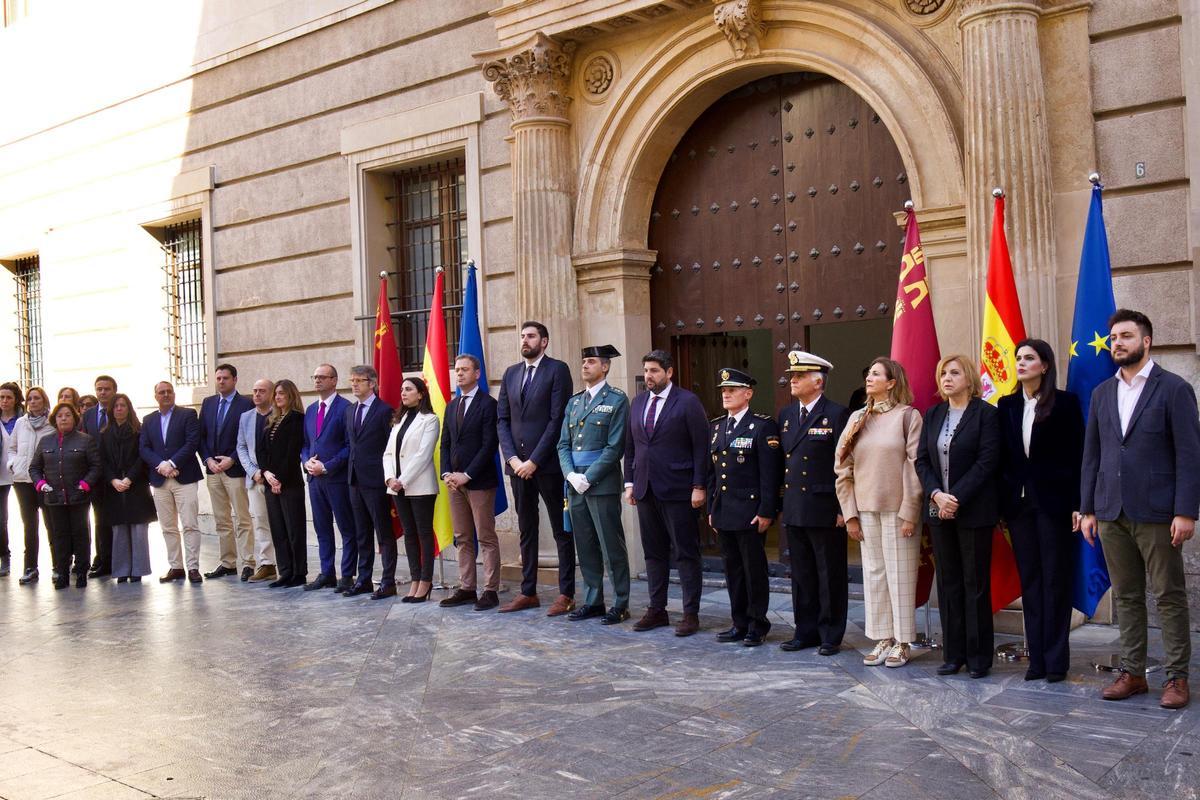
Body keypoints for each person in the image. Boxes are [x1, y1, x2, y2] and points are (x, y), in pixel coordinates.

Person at [1080, 310, 1199, 710]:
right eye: (1113, 337)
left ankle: (1177, 677)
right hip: (1110, 511)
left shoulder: (1174, 389)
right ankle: (1132, 673)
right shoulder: (1101, 393)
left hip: (1158, 513)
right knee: (1127, 596)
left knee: (1168, 595)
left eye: (1126, 336)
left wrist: (1186, 511)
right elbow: (1092, 456)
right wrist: (1088, 509)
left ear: (1146, 341)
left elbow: (1189, 455)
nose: (1117, 343)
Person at [997, 339, 1083, 683]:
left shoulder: (1065, 403)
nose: (1020, 363)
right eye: (1018, 357)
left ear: (1044, 366)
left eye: (1029, 358)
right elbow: (1002, 460)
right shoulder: (1006, 406)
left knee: (1055, 581)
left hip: (1055, 506)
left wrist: (1079, 505)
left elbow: (1078, 458)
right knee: (1030, 582)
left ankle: (1056, 661)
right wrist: (1005, 502)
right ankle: (1036, 660)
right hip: (1019, 509)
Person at [915, 355, 1000, 679]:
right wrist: (937, 494)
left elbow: (987, 461)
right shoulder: (934, 414)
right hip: (939, 509)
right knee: (949, 583)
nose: (947, 378)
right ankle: (953, 655)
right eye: (943, 374)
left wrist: (957, 497)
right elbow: (922, 461)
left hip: (973, 510)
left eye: (954, 372)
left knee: (974, 583)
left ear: (969, 378)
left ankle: (978, 657)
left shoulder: (986, 415)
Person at [835, 357, 923, 668]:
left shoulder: (908, 417)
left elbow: (914, 466)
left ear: (892, 382)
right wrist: (851, 513)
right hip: (865, 508)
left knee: (900, 576)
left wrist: (911, 511)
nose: (869, 379)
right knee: (874, 575)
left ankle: (902, 641)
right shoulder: (858, 417)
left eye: (875, 374)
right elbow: (842, 466)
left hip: (898, 510)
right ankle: (882, 637)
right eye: (868, 373)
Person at [623, 349, 709, 637]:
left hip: (678, 490)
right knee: (653, 553)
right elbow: (631, 447)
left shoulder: (687, 402)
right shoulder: (637, 403)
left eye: (654, 371)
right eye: (646, 370)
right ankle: (657, 609)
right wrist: (630, 483)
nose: (648, 376)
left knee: (685, 553)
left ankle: (690, 613)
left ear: (669, 372)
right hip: (646, 489)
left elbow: (701, 447)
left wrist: (699, 485)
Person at [496, 321, 577, 616]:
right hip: (518, 467)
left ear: (544, 341)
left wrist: (535, 461)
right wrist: (514, 460)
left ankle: (566, 592)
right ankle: (527, 591)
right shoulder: (511, 373)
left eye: (531, 336)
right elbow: (502, 419)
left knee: (561, 530)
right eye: (522, 336)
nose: (525, 341)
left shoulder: (557, 370)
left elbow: (558, 419)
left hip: (548, 466)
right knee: (526, 529)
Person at [777, 351, 851, 655]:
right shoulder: (785, 415)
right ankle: (804, 630)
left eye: (800, 376)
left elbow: (846, 465)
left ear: (818, 381)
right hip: (796, 505)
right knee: (802, 574)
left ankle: (830, 633)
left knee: (829, 573)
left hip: (824, 506)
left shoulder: (837, 414)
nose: (792, 380)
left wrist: (842, 509)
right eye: (793, 376)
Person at [557, 344, 631, 625]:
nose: (585, 366)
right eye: (584, 361)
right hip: (576, 484)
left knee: (611, 546)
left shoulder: (617, 400)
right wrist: (571, 475)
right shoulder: (574, 402)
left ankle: (621, 603)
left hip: (601, 484)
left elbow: (615, 447)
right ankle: (593, 600)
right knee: (585, 546)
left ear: (605, 367)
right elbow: (562, 444)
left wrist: (589, 477)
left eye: (591, 361)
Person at [707, 368, 781, 647]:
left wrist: (766, 511)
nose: (726, 394)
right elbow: (712, 472)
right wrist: (712, 507)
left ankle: (757, 624)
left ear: (748, 394)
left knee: (753, 570)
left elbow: (769, 474)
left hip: (750, 511)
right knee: (733, 570)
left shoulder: (762, 426)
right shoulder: (716, 426)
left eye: (732, 390)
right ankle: (739, 622)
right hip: (724, 510)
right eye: (724, 390)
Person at [439, 355, 502, 611]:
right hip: (454, 483)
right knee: (462, 537)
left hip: (479, 481)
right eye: (457, 370)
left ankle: (490, 590)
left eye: (465, 370)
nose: (460, 374)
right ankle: (467, 588)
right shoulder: (452, 405)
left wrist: (468, 474)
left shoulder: (489, 404)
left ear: (477, 374)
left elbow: (489, 445)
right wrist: (446, 474)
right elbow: (445, 443)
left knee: (485, 536)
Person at [30, 403, 101, 589]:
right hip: (54, 498)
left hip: (78, 496)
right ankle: (62, 572)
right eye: (60, 415)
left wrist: (85, 483)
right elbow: (35, 467)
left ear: (74, 418)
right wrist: (40, 483)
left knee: (80, 534)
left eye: (68, 415)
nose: (63, 418)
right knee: (59, 535)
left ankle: (81, 571)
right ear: (54, 419)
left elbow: (96, 466)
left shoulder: (85, 440)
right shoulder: (46, 441)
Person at [139, 381, 204, 584]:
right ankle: (176, 567)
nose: (165, 395)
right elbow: (144, 448)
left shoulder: (188, 415)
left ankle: (193, 567)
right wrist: (161, 465)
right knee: (168, 526)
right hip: (160, 480)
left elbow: (192, 442)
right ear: (155, 396)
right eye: (161, 392)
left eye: (169, 392)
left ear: (174, 394)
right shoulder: (148, 420)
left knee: (190, 524)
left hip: (184, 477)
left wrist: (172, 462)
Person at [382, 377, 440, 603]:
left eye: (408, 389)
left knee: (424, 534)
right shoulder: (399, 419)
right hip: (396, 487)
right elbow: (388, 452)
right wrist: (389, 478)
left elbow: (423, 455)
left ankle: (426, 580)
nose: (403, 393)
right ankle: (415, 578)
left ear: (421, 393)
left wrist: (402, 480)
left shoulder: (430, 420)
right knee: (409, 534)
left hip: (420, 486)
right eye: (401, 389)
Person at [302, 363, 357, 592]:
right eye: (315, 377)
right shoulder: (311, 409)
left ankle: (347, 575)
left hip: (336, 478)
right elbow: (306, 444)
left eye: (322, 377)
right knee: (322, 527)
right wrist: (306, 462)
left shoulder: (346, 408)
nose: (317, 381)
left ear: (334, 380)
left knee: (346, 527)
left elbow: (348, 447)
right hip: (315, 480)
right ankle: (327, 573)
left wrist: (326, 466)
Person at [198, 364, 256, 580]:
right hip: (213, 471)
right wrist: (208, 459)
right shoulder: (209, 403)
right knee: (222, 519)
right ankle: (228, 562)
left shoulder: (246, 404)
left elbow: (248, 437)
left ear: (235, 380)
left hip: (235, 469)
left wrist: (232, 458)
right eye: (218, 378)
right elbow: (201, 436)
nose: (221, 381)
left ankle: (249, 562)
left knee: (242, 518)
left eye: (225, 378)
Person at [343, 365, 395, 598]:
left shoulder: (384, 411)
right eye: (352, 380)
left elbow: (389, 447)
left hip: (376, 481)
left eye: (359, 380)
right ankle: (363, 579)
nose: (354, 384)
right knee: (361, 533)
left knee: (383, 533)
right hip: (354, 479)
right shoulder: (350, 410)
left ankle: (388, 581)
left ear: (372, 383)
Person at [100, 393, 156, 583]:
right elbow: (103, 461)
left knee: (139, 529)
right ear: (111, 410)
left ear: (129, 408)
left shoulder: (138, 431)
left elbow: (142, 456)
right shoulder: (104, 433)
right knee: (120, 530)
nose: (119, 409)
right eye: (116, 406)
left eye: (123, 405)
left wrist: (129, 478)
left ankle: (138, 569)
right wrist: (114, 480)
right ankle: (122, 570)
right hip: (114, 487)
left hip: (136, 484)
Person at [260, 380, 307, 589]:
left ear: (291, 395)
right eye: (276, 394)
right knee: (278, 529)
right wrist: (267, 473)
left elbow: (291, 453)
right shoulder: (271, 420)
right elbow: (262, 452)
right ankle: (285, 571)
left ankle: (298, 572)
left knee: (294, 529)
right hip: (271, 483)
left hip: (290, 483)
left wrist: (279, 478)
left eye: (282, 393)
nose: (278, 397)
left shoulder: (297, 419)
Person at [7, 386, 53, 584]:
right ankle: (30, 567)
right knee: (29, 526)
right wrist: (12, 464)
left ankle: (59, 566)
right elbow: (12, 447)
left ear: (44, 400)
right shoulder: (20, 423)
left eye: (37, 398)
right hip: (23, 481)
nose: (33, 402)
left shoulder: (52, 423)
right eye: (30, 399)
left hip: (45, 481)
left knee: (52, 524)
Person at [236, 379, 279, 583]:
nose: (257, 394)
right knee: (261, 522)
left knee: (280, 522)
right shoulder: (245, 417)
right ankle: (267, 564)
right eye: (254, 391)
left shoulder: (280, 414)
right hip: (255, 480)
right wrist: (254, 472)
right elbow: (241, 447)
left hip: (278, 479)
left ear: (271, 394)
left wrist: (273, 473)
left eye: (262, 391)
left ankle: (286, 564)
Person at [81, 375, 117, 579]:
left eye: (107, 389)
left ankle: (118, 560)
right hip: (96, 476)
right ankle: (103, 560)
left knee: (116, 521)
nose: (102, 392)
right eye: (99, 389)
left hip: (117, 476)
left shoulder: (121, 409)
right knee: (100, 520)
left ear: (114, 390)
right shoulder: (89, 415)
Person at [0, 382, 21, 577]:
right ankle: (4, 557)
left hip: (23, 473)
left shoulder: (23, 419)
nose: (4, 401)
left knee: (31, 519)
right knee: (1, 520)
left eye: (8, 397)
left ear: (15, 399)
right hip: (1, 476)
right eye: (1, 397)